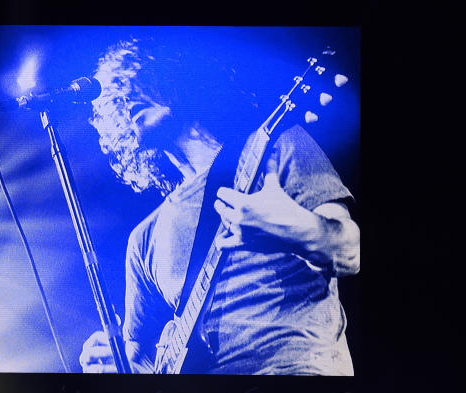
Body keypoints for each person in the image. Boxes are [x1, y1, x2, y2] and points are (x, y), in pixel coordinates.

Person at [78, 38, 360, 375]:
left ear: (172, 77)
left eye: (131, 82)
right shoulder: (143, 239)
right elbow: (140, 357)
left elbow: (351, 252)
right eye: (115, 99)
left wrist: (296, 229)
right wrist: (116, 365)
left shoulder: (272, 147)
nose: (125, 101)